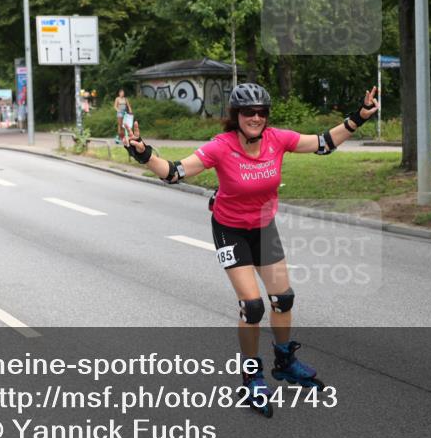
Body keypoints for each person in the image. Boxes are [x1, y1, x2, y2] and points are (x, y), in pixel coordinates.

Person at [123, 82, 379, 417]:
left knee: (283, 298)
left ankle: (285, 361)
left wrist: (359, 117)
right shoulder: (220, 147)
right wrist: (143, 152)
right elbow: (174, 173)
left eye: (261, 112)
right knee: (253, 306)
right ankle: (251, 376)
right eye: (248, 112)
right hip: (230, 229)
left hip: (262, 226)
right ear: (237, 115)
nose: (255, 117)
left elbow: (324, 143)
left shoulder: (278, 139)